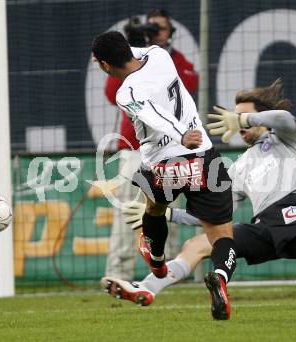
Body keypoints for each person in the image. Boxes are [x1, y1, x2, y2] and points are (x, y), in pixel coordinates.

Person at [101, 79, 296, 309]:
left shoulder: (283, 139)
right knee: (199, 244)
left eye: (243, 118)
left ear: (260, 119)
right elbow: (211, 215)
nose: (236, 123)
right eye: (234, 117)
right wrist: (167, 214)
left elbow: (286, 119)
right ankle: (146, 288)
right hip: (262, 225)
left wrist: (243, 120)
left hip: (293, 212)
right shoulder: (237, 167)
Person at [92, 31, 237, 320]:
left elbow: (153, 114)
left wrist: (181, 135)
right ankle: (219, 277)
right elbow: (132, 53)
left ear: (106, 66)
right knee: (222, 237)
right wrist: (186, 134)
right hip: (203, 157)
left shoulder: (126, 92)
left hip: (163, 163)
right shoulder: (160, 54)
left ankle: (157, 262)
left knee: (154, 208)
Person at [103, 10, 198, 282]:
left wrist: (153, 48)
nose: (155, 32)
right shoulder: (131, 62)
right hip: (134, 148)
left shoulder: (171, 59)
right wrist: (130, 49)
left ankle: (165, 276)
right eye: (151, 28)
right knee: (126, 213)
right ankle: (117, 275)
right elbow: (111, 95)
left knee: (166, 212)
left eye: (161, 28)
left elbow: (190, 83)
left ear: (171, 33)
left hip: (170, 149)